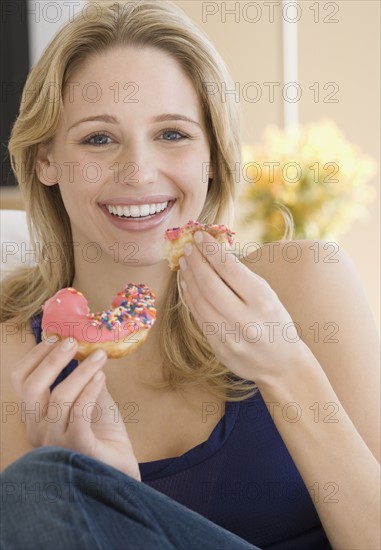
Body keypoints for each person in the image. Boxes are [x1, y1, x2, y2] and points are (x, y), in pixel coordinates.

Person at [0, 1, 379, 549]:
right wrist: (107, 496)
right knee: (43, 486)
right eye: (98, 139)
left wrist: (286, 369)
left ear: (212, 154)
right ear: (45, 160)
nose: (138, 172)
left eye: (173, 134)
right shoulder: (14, 354)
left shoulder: (303, 284)